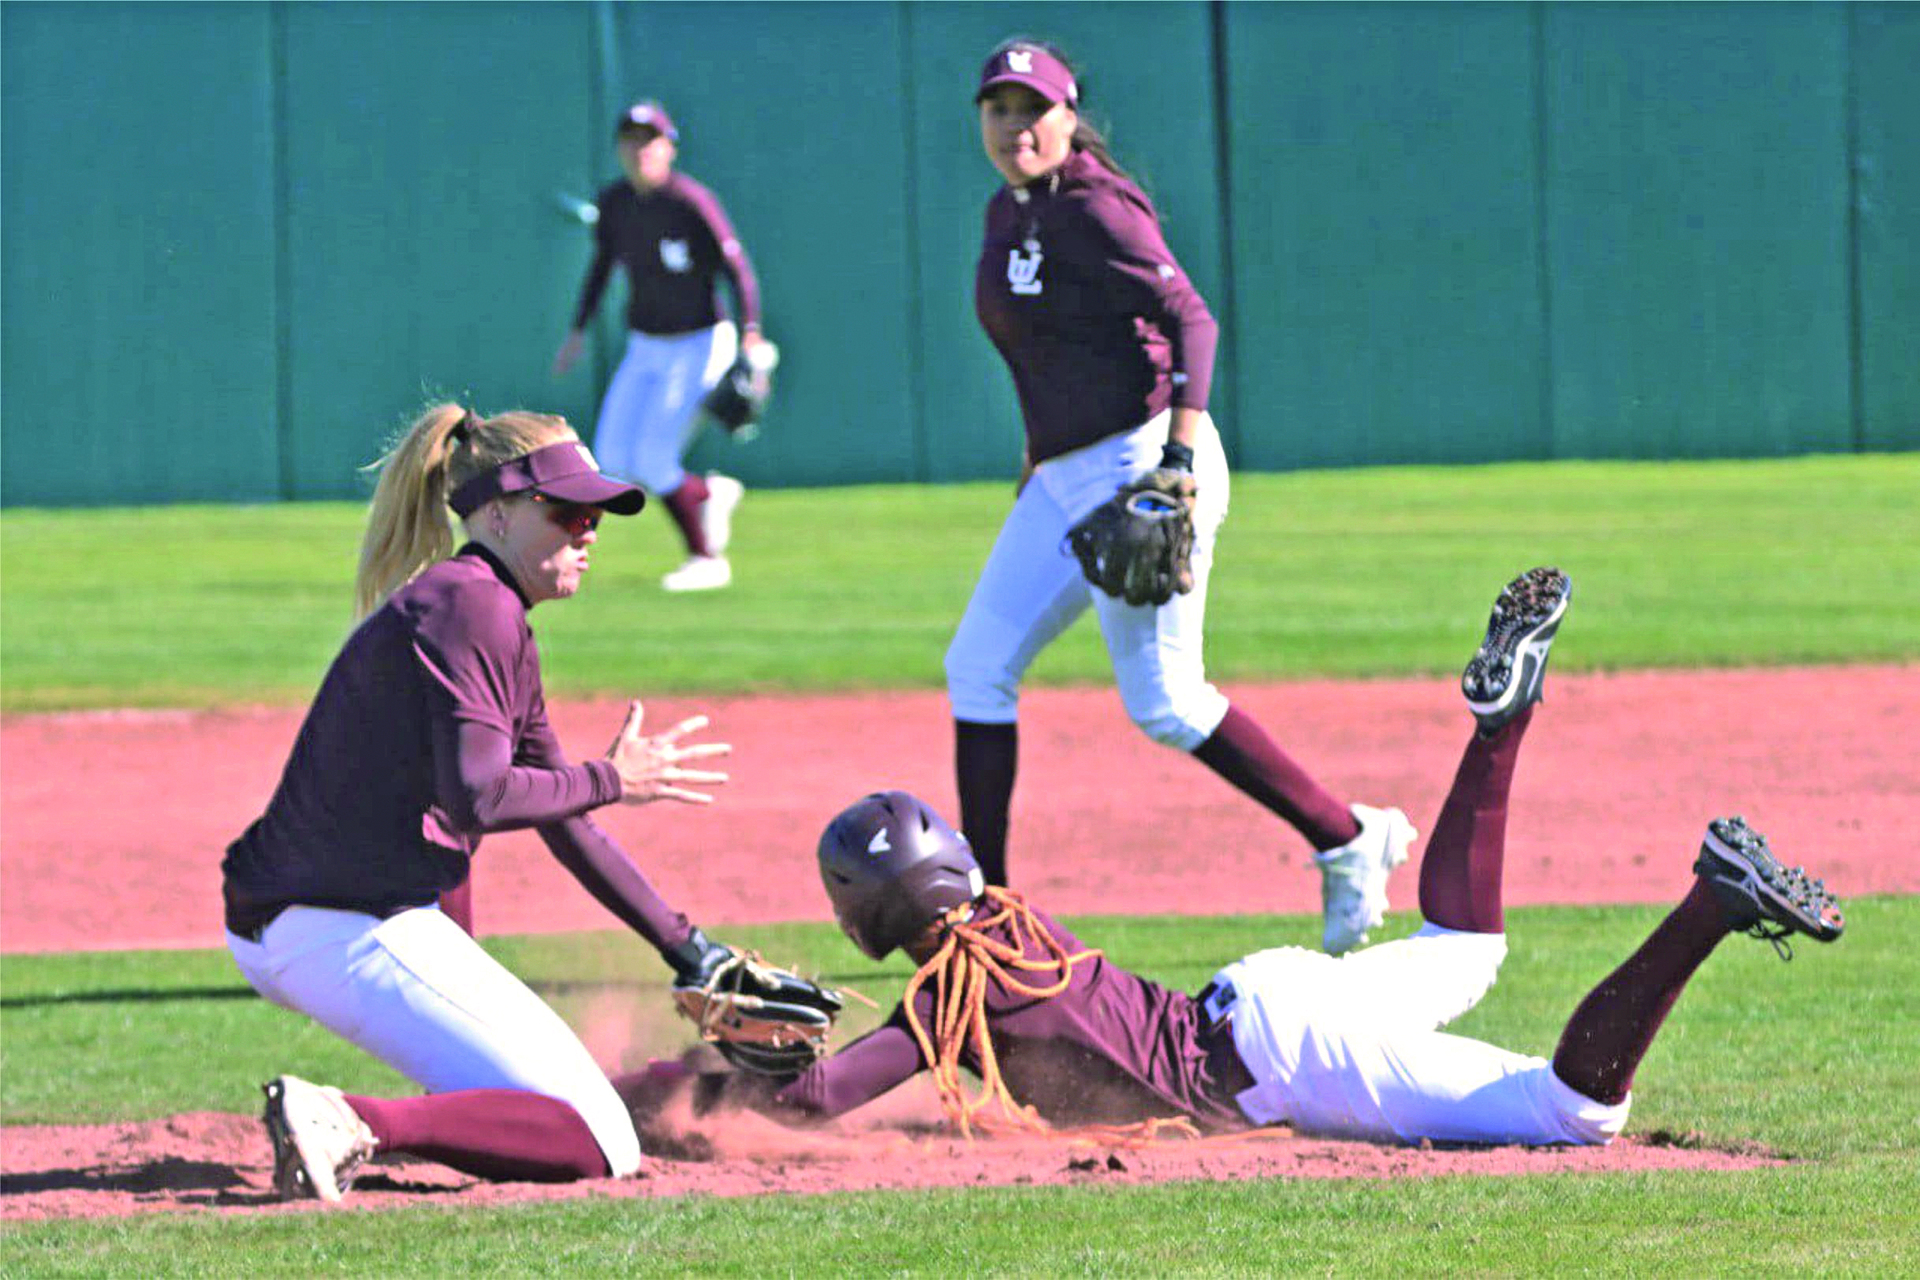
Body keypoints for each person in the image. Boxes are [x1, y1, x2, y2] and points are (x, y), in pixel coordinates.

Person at [688, 568, 1845, 1147]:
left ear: (871, 913)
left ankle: (1712, 899)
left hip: (1285, 1050)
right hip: (1271, 989)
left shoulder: (946, 993)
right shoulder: (1004, 918)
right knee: (1465, 942)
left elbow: (818, 1097)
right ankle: (1500, 727)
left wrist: (693, 1088)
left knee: (1569, 1114)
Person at [223, 403, 768, 1201]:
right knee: (599, 1138)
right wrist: (615, 776)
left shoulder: (485, 607)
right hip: (333, 925)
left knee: (557, 1108)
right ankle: (350, 1119)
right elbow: (479, 796)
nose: (589, 530)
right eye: (569, 510)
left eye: (598, 515)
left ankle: (444, 1109)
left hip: (328, 913)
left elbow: (557, 818)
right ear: (499, 514)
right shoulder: (471, 607)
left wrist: (690, 949)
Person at [949, 37, 1411, 954]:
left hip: (1142, 460)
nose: (1014, 127)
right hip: (1063, 474)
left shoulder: (1095, 207)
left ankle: (1351, 840)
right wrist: (1037, 466)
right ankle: (986, 915)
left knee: (1166, 702)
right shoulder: (1006, 212)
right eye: (999, 109)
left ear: (1069, 116)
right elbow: (1043, 360)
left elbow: (1190, 317)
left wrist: (1181, 460)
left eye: (1032, 109)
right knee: (976, 666)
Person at [553, 100, 766, 593]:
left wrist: (751, 328)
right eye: (629, 138)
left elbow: (737, 267)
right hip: (646, 344)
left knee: (652, 457)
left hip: (700, 341)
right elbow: (601, 267)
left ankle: (706, 559)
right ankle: (708, 493)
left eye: (649, 139)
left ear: (669, 146)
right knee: (609, 460)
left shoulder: (691, 201)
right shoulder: (616, 204)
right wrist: (579, 329)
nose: (638, 149)